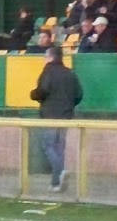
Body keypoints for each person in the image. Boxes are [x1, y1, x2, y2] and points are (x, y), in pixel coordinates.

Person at [30, 49, 82, 192]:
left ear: (51, 57)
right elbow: (79, 94)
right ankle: (56, 183)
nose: (44, 59)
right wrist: (69, 106)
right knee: (59, 147)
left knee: (48, 145)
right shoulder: (70, 73)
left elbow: (43, 90)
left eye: (45, 56)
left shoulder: (48, 72)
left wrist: (33, 94)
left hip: (50, 115)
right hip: (66, 115)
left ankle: (60, 170)